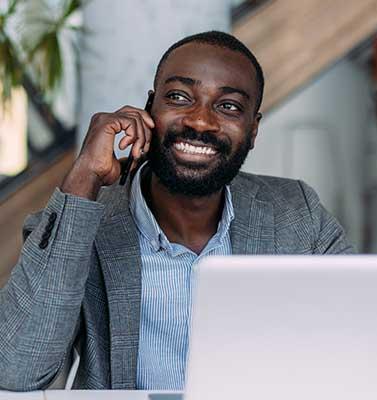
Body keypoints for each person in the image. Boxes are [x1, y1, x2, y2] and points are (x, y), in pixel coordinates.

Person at [0, 31, 354, 391]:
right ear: (150, 108)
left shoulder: (296, 212)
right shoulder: (84, 223)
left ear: (252, 129)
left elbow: (358, 342)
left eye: (228, 105)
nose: (200, 121)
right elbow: (15, 369)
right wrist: (83, 179)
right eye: (179, 97)